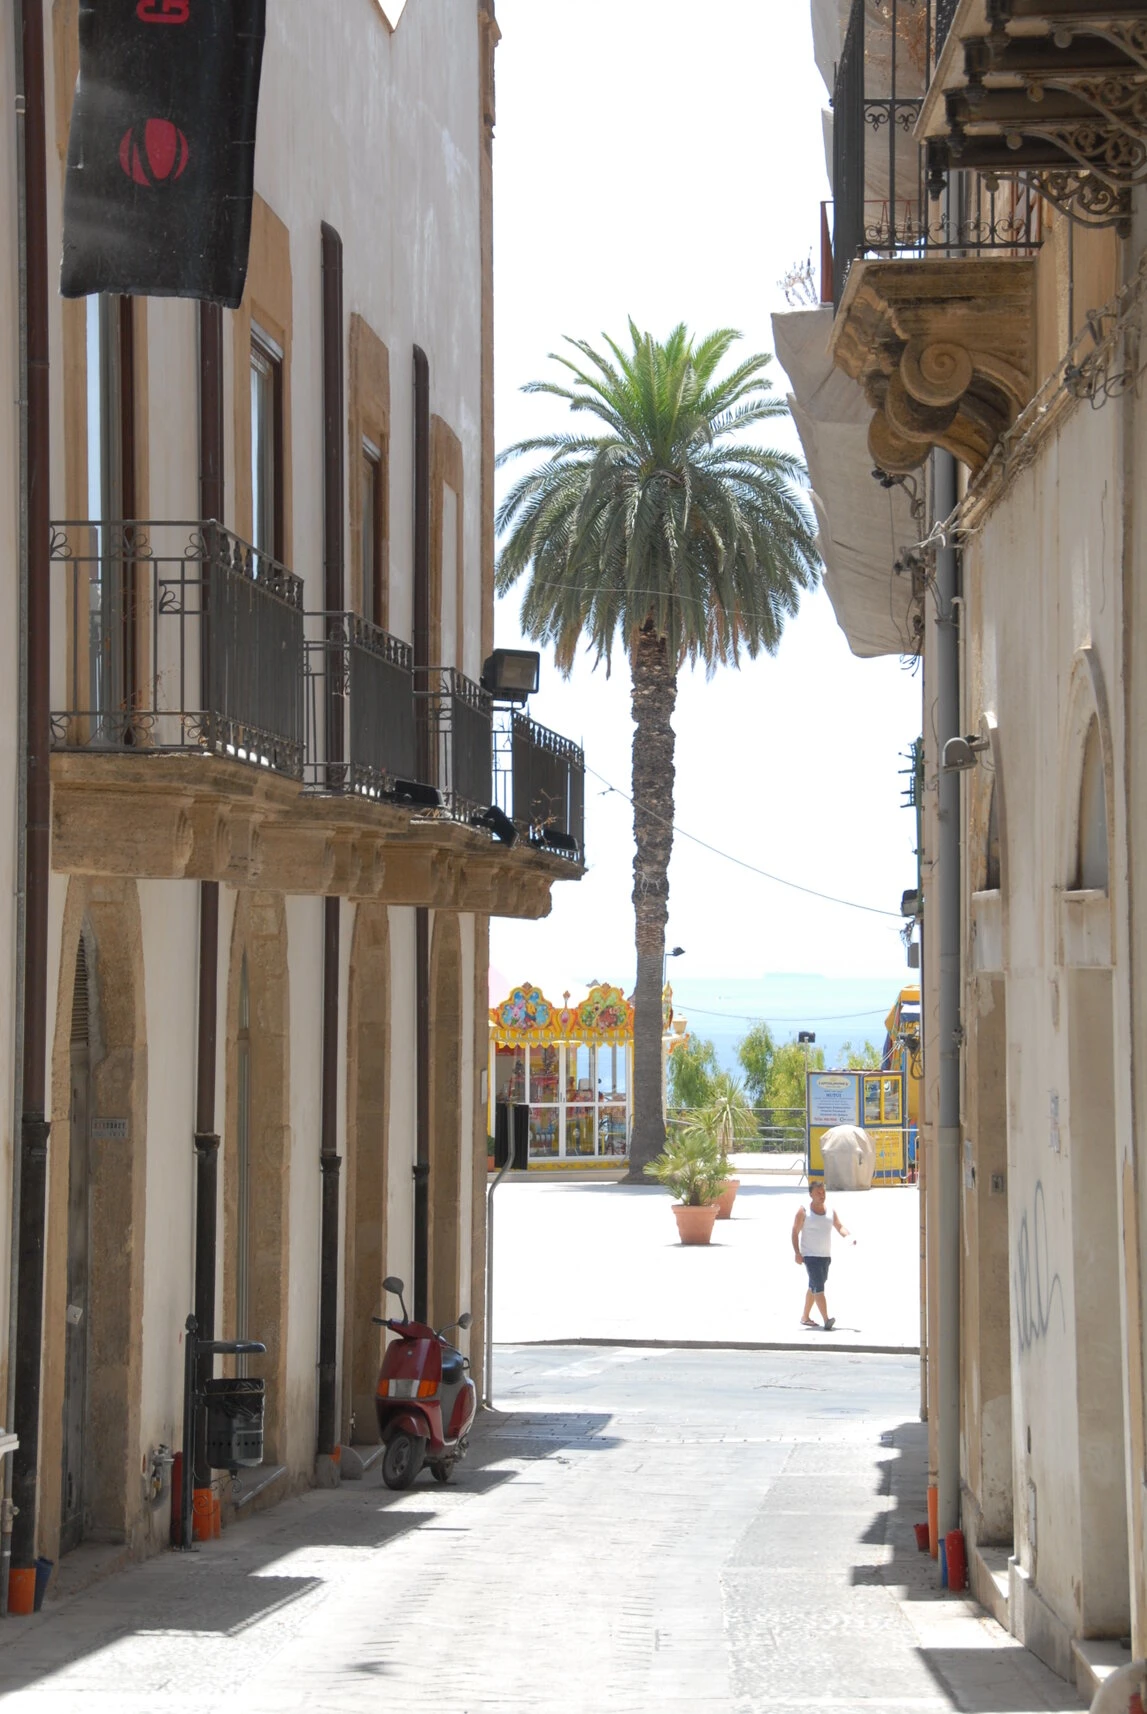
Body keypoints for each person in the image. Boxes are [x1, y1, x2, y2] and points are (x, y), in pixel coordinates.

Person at [792, 1179, 854, 1330]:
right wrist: (797, 1253)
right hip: (810, 1255)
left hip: (825, 1256)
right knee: (819, 1286)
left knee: (814, 1285)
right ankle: (826, 1319)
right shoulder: (803, 1211)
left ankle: (805, 1317)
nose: (822, 1195)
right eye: (818, 1193)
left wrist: (849, 1236)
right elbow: (795, 1232)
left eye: (823, 1192)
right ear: (811, 1194)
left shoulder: (830, 1211)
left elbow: (839, 1226)